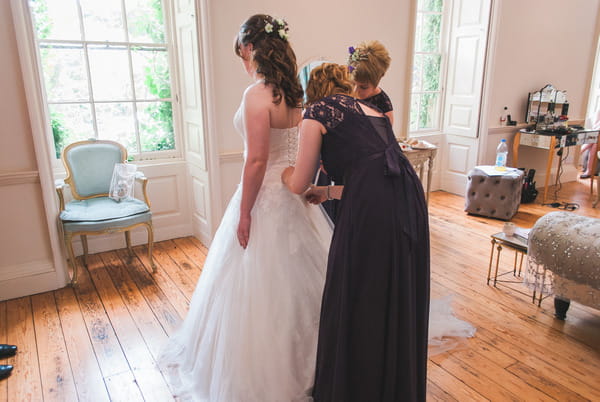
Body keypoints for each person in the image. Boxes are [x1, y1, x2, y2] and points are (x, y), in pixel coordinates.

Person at [158, 15, 331, 401]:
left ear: (251, 48)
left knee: (256, 286)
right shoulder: (297, 95)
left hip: (266, 196)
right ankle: (318, 360)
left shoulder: (257, 94)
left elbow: (256, 161)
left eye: (241, 53)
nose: (242, 61)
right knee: (300, 283)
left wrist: (245, 212)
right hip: (294, 196)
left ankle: (264, 374)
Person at [282, 63, 430, 401]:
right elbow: (373, 174)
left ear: (312, 92)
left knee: (358, 289)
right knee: (391, 289)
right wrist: (329, 192)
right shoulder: (369, 111)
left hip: (374, 209)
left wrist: (282, 174)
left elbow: (298, 183)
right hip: (408, 201)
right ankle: (390, 384)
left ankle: (357, 386)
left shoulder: (316, 112)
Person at [347, 40, 394, 124]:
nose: (355, 91)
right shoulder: (342, 90)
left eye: (363, 87)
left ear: (379, 79)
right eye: (352, 83)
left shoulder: (383, 108)